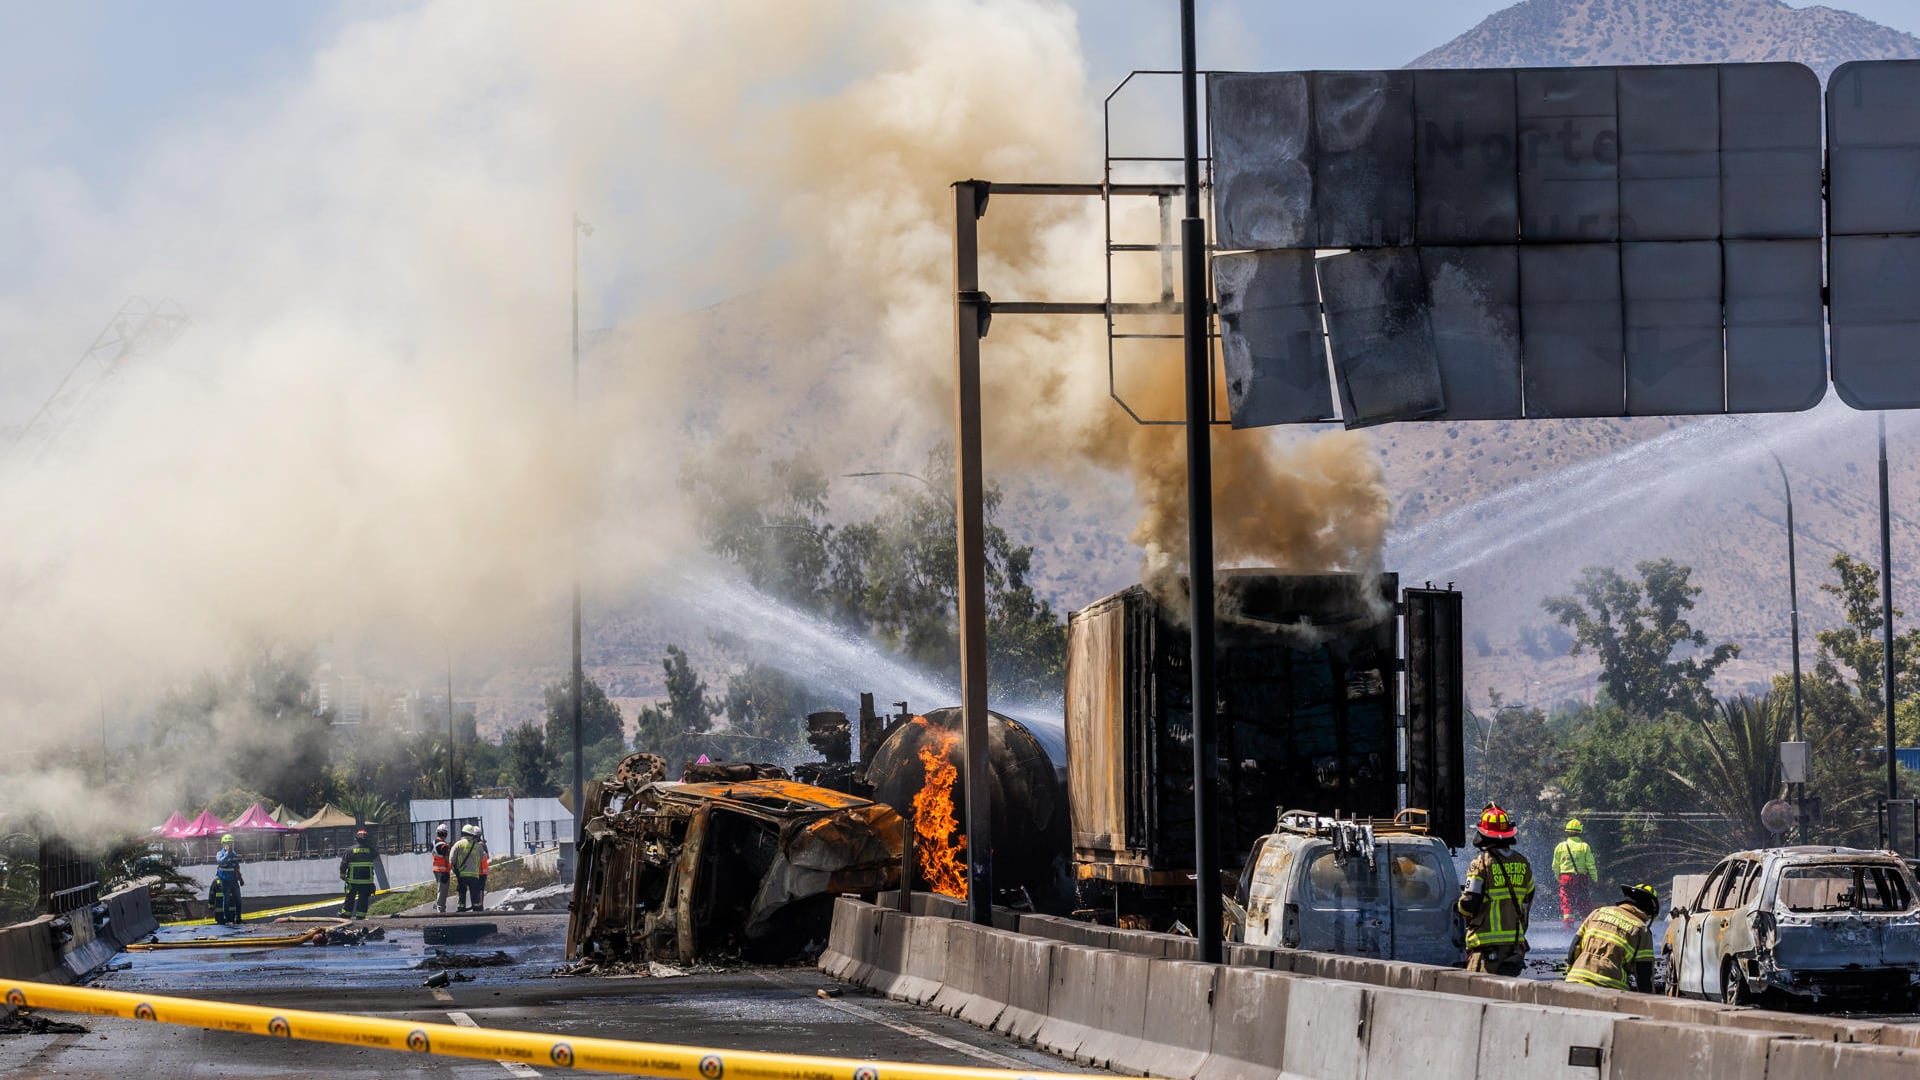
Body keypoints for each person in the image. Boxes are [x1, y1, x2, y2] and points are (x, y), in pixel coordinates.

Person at [1456, 803, 1535, 976]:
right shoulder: (1523, 863)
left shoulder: (1481, 864)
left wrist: (1458, 905)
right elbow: (1527, 901)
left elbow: (1469, 904)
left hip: (1486, 950)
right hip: (1513, 949)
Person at [1565, 883, 1660, 993]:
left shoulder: (1597, 913)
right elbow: (1644, 974)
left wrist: (1571, 973)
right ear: (1647, 910)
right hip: (1611, 988)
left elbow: (1574, 947)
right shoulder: (1642, 930)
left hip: (1575, 979)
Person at [1552, 818, 1601, 927]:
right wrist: (1595, 878)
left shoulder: (1560, 846)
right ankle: (1586, 929)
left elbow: (1555, 866)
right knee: (1584, 903)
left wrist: (1558, 878)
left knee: (1567, 904)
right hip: (1581, 878)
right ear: (1580, 832)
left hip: (1565, 878)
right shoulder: (1584, 846)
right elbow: (1590, 865)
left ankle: (1568, 930)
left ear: (1567, 831)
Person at [339, 828, 379, 919]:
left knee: (350, 897)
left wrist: (342, 873)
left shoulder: (349, 850)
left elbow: (344, 863)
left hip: (353, 879)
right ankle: (361, 915)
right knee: (363, 898)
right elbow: (376, 855)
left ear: (356, 839)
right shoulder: (372, 851)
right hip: (366, 880)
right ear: (367, 839)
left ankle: (346, 914)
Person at [449, 824, 488, 913]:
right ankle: (477, 909)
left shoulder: (458, 845)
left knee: (462, 892)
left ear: (463, 833)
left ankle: (461, 908)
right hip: (474, 875)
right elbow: (483, 858)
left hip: (462, 874)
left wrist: (455, 870)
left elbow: (451, 860)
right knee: (475, 894)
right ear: (472, 834)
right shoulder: (478, 846)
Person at [211, 833, 244, 925]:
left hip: (233, 880)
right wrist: (227, 854)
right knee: (226, 899)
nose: (229, 845)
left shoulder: (233, 854)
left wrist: (240, 879)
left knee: (238, 899)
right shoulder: (219, 854)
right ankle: (227, 918)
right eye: (227, 843)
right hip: (224, 881)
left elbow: (236, 867)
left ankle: (238, 917)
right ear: (223, 844)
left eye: (231, 843)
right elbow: (221, 861)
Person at [431, 824, 452, 914]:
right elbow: (447, 858)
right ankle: (440, 907)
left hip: (436, 869)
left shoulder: (433, 843)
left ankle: (439, 905)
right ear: (445, 834)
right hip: (443, 870)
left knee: (440, 888)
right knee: (443, 890)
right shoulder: (444, 845)